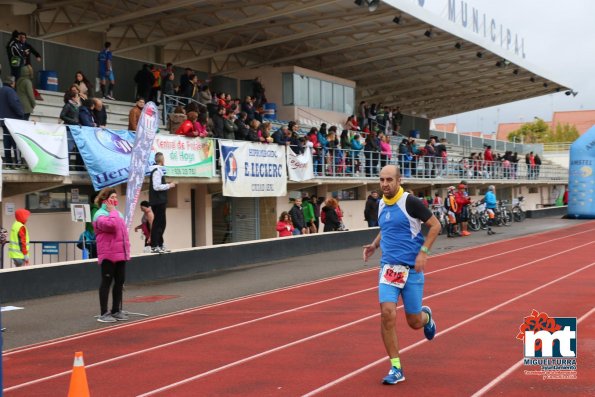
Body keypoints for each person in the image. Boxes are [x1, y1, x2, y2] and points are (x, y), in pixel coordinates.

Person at [363, 165, 440, 385]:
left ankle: (427, 317)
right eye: (381, 180)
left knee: (414, 322)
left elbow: (435, 226)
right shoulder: (379, 204)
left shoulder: (410, 202)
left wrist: (423, 253)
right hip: (389, 269)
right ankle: (396, 367)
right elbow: (387, 227)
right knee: (387, 314)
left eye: (389, 180)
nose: (384, 184)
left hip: (411, 271)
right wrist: (375, 245)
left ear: (398, 180)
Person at [93, 188, 130, 323]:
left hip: (121, 253)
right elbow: (111, 226)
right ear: (105, 199)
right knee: (106, 282)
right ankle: (104, 313)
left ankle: (116, 310)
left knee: (120, 281)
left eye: (116, 197)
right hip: (108, 254)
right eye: (112, 197)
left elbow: (123, 233)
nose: (115, 199)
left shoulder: (117, 213)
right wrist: (113, 212)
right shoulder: (99, 214)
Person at [149, 152, 175, 253]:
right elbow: (156, 186)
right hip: (158, 201)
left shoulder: (158, 170)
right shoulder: (157, 171)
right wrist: (169, 185)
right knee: (158, 223)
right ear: (162, 160)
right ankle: (155, 245)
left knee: (161, 223)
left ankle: (160, 244)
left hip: (159, 201)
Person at [0, 77, 25, 168]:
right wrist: (21, 114)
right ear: (12, 83)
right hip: (12, 121)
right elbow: (14, 103)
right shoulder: (10, 91)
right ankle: (18, 163)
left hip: (3, 120)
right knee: (16, 142)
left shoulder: (1, 90)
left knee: (7, 142)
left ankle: (8, 163)